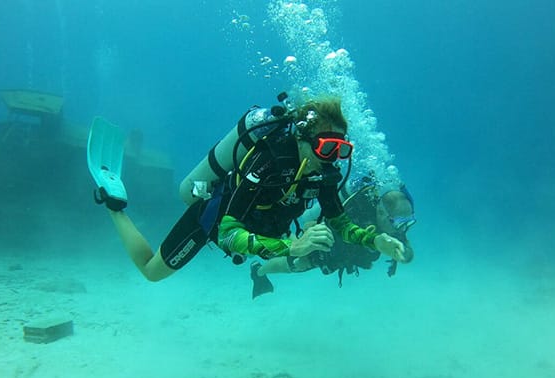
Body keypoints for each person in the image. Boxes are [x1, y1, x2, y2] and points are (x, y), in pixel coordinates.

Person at [91, 94, 407, 282]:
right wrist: (291, 248)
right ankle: (114, 205)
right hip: (215, 217)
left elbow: (341, 223)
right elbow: (229, 232)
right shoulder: (270, 163)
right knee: (151, 272)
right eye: (327, 148)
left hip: (258, 230)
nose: (332, 159)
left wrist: (375, 239)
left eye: (341, 150)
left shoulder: (323, 174)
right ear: (302, 138)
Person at [249, 173, 416, 298]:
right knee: (297, 264)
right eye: (399, 222)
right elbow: (315, 223)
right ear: (380, 211)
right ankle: (259, 271)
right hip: (327, 242)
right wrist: (307, 240)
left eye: (408, 222)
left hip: (347, 251)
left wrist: (402, 254)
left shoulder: (394, 226)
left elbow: (406, 250)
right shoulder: (355, 209)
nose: (402, 228)